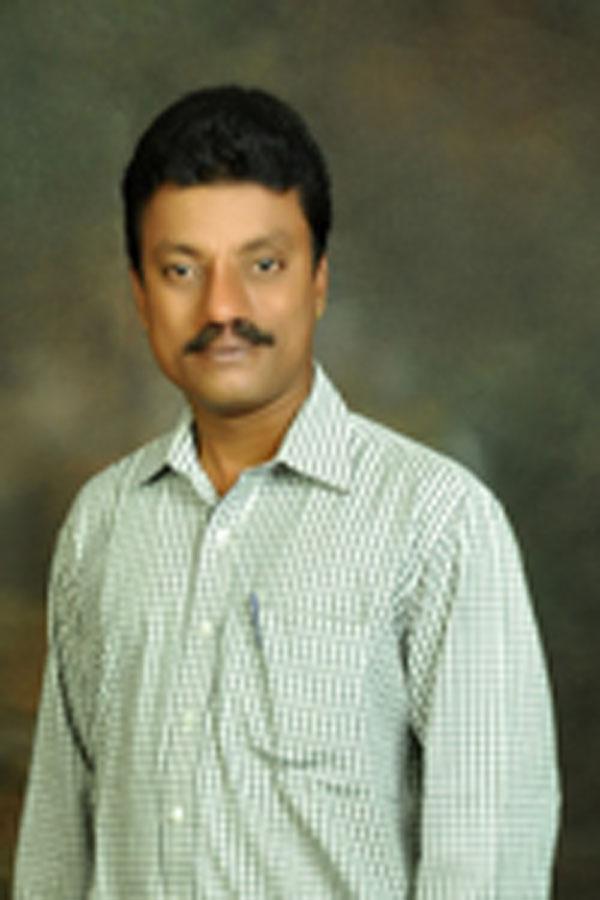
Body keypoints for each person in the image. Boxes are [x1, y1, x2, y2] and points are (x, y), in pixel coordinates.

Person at [14, 85, 560, 899]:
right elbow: (57, 853)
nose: (222, 307)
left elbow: (488, 866)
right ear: (140, 294)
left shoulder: (437, 521)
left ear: (318, 281)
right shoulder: (102, 523)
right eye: (181, 270)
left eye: (262, 265)